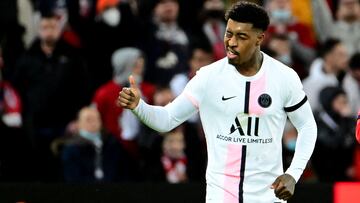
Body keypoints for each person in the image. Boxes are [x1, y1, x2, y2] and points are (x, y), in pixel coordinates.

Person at [118, 2, 317, 202]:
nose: (231, 42)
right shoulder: (208, 78)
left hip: (269, 197)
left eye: (241, 36)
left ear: (260, 38)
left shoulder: (284, 77)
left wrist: (293, 173)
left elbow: (307, 126)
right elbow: (167, 120)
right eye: (228, 33)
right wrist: (139, 107)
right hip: (221, 196)